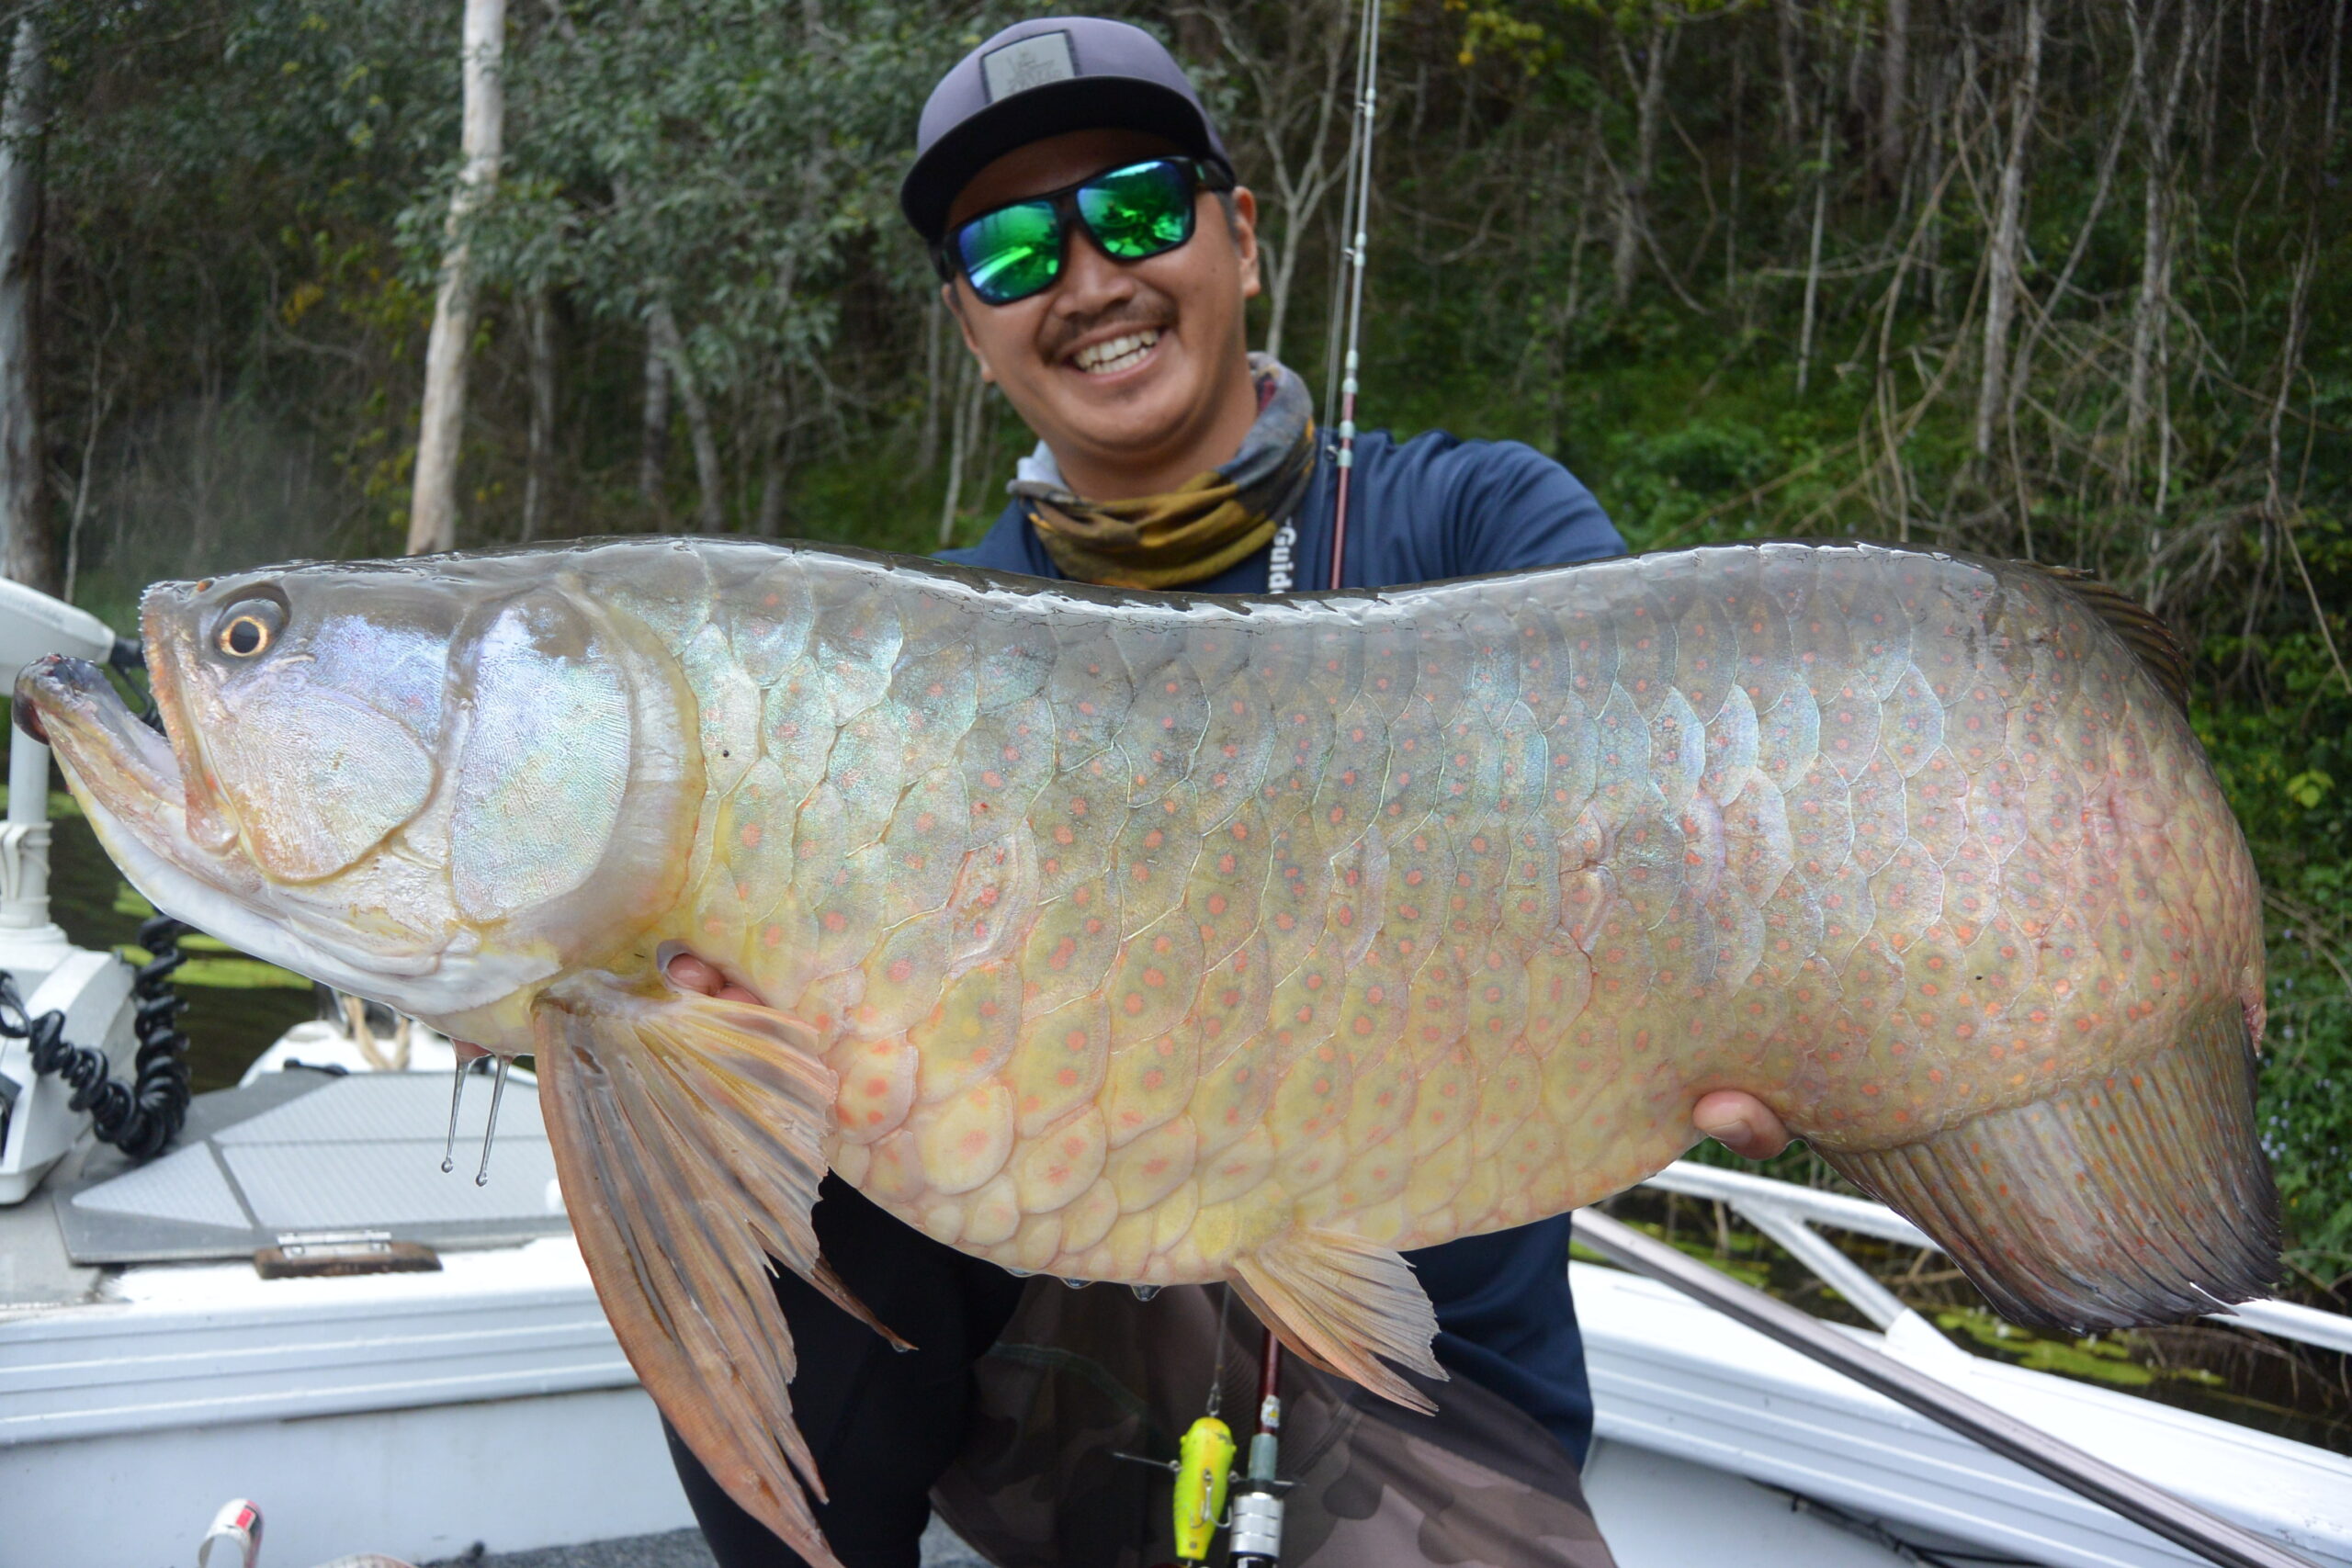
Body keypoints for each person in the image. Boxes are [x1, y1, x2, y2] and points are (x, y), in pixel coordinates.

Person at [663, 18, 1790, 1566]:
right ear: (969, 326)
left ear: (1240, 237)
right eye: (1010, 250)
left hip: (1429, 1390)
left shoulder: (1484, 525)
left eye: (1135, 208)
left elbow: (1674, 826)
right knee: (731, 1118)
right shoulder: (902, 665)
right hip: (1056, 1361)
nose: (1088, 279)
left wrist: (1742, 992)